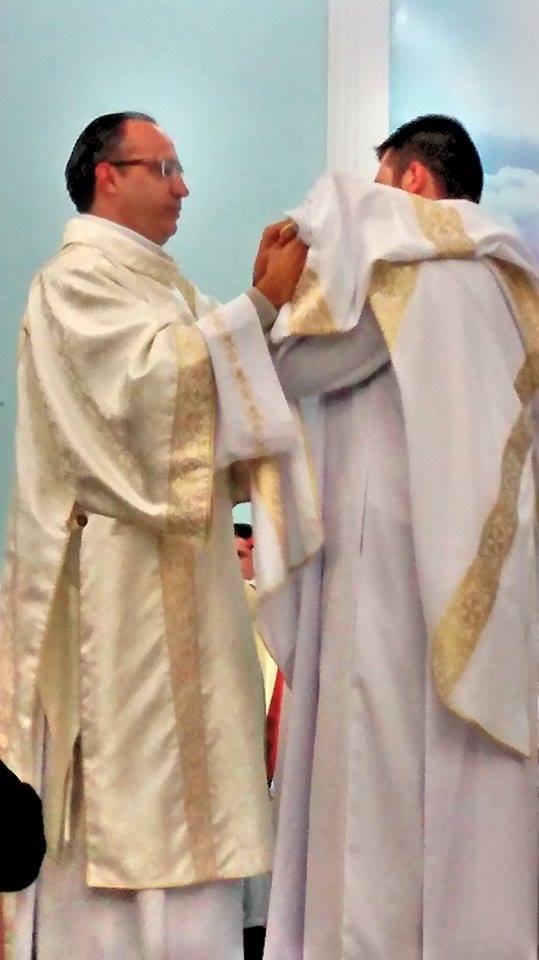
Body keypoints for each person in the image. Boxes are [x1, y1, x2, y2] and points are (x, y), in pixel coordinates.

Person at [0, 111, 307, 960]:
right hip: (117, 599)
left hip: (182, 588)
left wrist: (260, 312)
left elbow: (215, 390)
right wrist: (256, 306)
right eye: (165, 168)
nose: (183, 187)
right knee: (127, 814)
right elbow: (147, 396)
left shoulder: (163, 288)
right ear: (108, 175)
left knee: (190, 810)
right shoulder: (74, 282)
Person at [253, 115, 539, 959]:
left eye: (379, 175)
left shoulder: (406, 266)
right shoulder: (509, 282)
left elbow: (293, 368)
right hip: (483, 575)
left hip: (388, 564)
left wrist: (270, 299)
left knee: (374, 790)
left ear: (411, 180)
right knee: (468, 799)